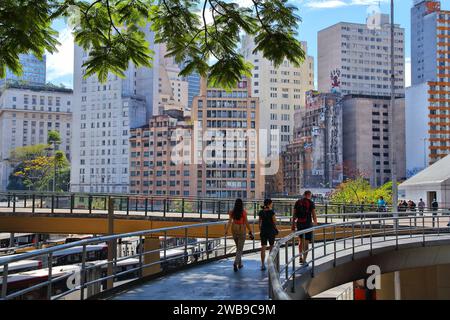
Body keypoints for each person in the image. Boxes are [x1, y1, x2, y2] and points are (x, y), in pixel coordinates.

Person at [225, 199, 254, 272]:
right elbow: (247, 222)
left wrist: (226, 230)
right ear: (241, 204)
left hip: (234, 228)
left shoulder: (232, 212)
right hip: (241, 228)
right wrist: (250, 230)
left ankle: (240, 264)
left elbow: (229, 222)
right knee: (240, 248)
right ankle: (235, 263)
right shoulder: (243, 212)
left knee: (238, 247)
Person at [291, 191, 318, 265]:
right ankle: (304, 260)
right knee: (306, 242)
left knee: (300, 240)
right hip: (308, 224)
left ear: (304, 195)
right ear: (309, 195)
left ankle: (300, 257)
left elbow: (294, 215)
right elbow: (313, 214)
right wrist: (315, 223)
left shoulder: (298, 202)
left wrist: (293, 224)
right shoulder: (311, 202)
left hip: (299, 223)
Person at [258, 199, 278, 271]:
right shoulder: (271, 212)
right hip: (271, 231)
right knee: (271, 246)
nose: (272, 204)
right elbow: (275, 222)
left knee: (263, 246)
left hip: (263, 230)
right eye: (271, 203)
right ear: (269, 204)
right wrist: (276, 228)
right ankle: (270, 263)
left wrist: (261, 230)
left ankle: (262, 264)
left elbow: (259, 223)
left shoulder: (261, 212)